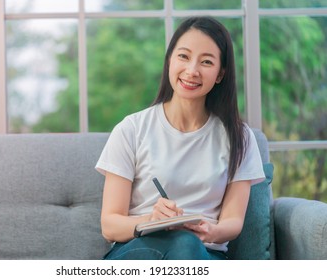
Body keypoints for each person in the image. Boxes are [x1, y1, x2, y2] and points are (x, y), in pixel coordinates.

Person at [95, 16, 265, 260]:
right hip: (140, 249)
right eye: (183, 56)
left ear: (220, 74)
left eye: (206, 62)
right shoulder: (131, 129)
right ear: (169, 61)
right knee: (182, 245)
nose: (192, 70)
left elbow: (233, 221)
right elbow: (109, 225)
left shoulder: (239, 137)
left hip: (203, 253)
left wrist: (212, 231)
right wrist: (151, 220)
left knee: (187, 245)